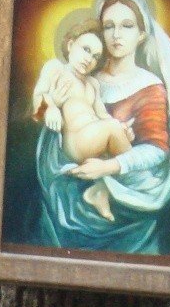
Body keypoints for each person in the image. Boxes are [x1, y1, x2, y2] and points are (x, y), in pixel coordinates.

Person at [34, 0, 170, 255]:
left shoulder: (149, 88)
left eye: (127, 26)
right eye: (108, 26)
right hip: (64, 189)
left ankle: (103, 192)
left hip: (124, 207)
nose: (116, 35)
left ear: (142, 34)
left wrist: (109, 168)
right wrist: (51, 106)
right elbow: (43, 115)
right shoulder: (82, 76)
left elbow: (157, 151)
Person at [31, 19, 133, 221]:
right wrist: (50, 107)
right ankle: (139, 180)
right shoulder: (56, 69)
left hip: (93, 138)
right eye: (86, 49)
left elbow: (103, 116)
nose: (89, 59)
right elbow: (37, 102)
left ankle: (99, 191)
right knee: (127, 157)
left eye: (95, 57)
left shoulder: (93, 84)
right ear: (70, 45)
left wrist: (122, 129)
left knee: (115, 129)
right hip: (75, 144)